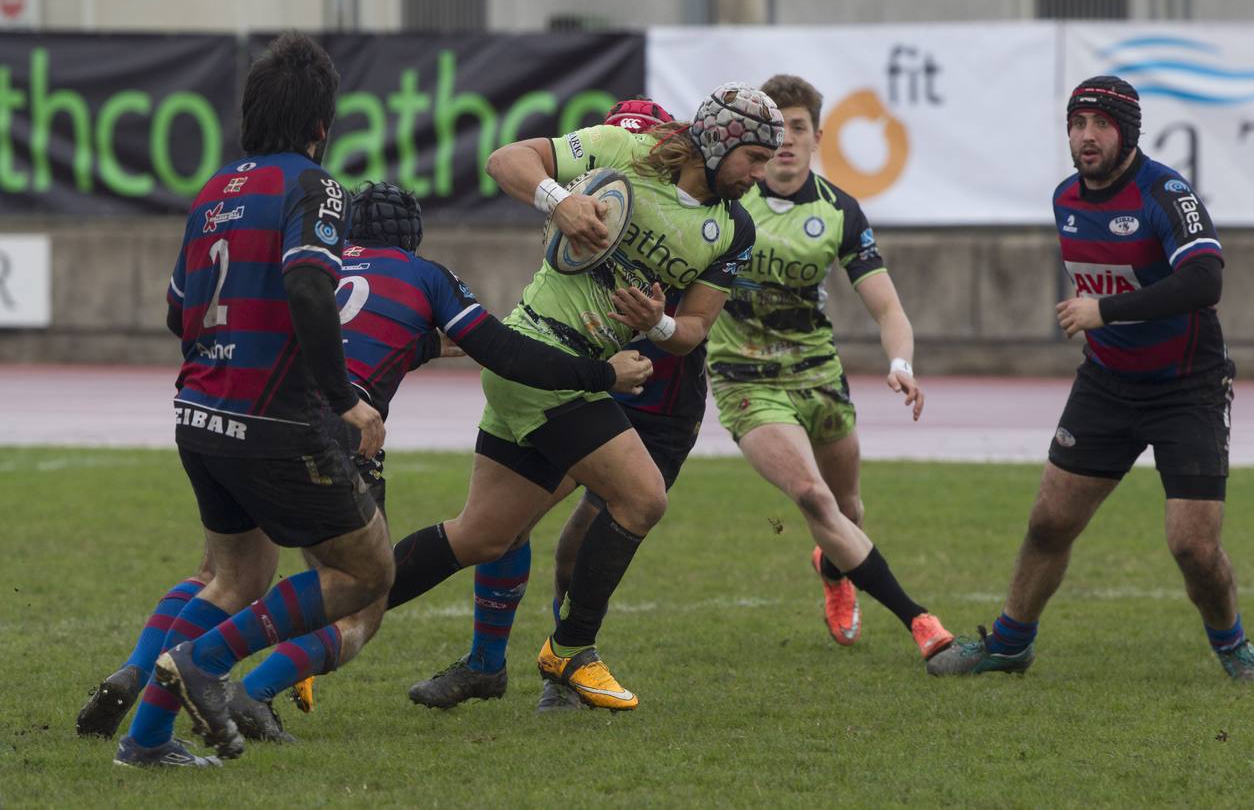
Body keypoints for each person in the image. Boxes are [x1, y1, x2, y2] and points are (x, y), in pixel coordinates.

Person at [79, 181, 650, 744]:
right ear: (413, 240)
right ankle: (249, 687)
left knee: (223, 574)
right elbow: (502, 352)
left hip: (235, 416)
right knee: (360, 599)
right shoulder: (425, 275)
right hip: (327, 437)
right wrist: (604, 375)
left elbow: (354, 329)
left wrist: (429, 342)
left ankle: (140, 674)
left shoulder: (314, 260)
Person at [382, 83, 780, 711]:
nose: (762, 173)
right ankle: (570, 649)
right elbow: (505, 159)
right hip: (545, 356)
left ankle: (324, 620)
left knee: (482, 536)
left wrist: (657, 323)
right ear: (718, 140)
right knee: (642, 498)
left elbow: (695, 330)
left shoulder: (734, 230)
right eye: (754, 159)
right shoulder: (624, 148)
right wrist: (560, 199)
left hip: (562, 370)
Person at [927, 75, 1254, 683]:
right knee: (1049, 523)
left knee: (1192, 546)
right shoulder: (1066, 199)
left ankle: (1233, 644)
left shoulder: (1164, 192)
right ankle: (1010, 644)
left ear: (1127, 132)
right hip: (1108, 384)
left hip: (1187, 388)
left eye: (1101, 126)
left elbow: (1204, 282)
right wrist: (1105, 321)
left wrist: (1102, 311)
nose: (1086, 137)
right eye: (1076, 125)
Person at [110, 32, 392, 768]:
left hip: (199, 415)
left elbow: (179, 312)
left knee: (236, 578)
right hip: (273, 422)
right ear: (322, 126)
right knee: (366, 574)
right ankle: (205, 664)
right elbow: (305, 283)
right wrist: (347, 400)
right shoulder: (315, 185)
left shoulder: (212, 193)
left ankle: (144, 742)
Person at [701, 74, 952, 662]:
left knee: (848, 510)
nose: (785, 140)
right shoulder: (731, 199)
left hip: (819, 376)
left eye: (797, 128)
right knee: (814, 499)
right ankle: (919, 620)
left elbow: (887, 305)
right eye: (774, 129)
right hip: (743, 378)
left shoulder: (840, 210)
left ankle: (835, 570)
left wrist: (899, 361)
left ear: (819, 136)